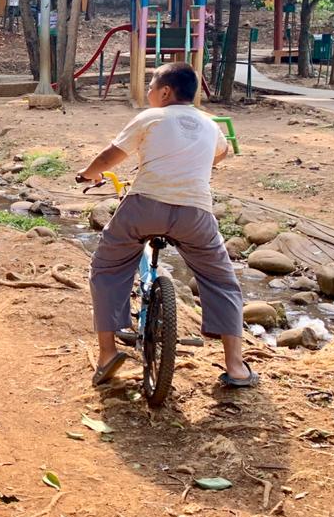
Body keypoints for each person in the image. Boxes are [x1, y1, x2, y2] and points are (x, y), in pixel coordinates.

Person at [77, 62, 252, 389]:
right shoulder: (210, 124)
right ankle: (236, 366)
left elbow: (110, 156)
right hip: (195, 214)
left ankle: (107, 354)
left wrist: (88, 174)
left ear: (166, 92)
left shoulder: (151, 117)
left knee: (107, 267)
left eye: (151, 87)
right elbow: (221, 153)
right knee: (222, 280)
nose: (149, 93)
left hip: (145, 207)